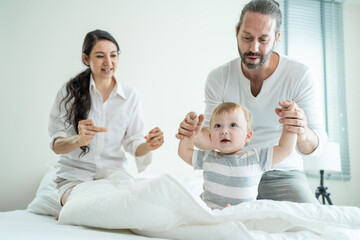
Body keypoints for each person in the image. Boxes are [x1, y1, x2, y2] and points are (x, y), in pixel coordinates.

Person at [176, 0, 327, 203]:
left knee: (312, 224)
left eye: (263, 40)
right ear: (237, 32)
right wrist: (192, 134)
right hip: (232, 169)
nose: (253, 48)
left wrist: (301, 129)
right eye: (246, 38)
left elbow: (316, 145)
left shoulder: (300, 75)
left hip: (282, 174)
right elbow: (209, 138)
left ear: (276, 39)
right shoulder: (218, 77)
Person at [49, 29, 164, 207]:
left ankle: (74, 212)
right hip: (75, 178)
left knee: (132, 205)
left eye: (113, 55)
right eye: (100, 56)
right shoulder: (68, 92)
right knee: (85, 205)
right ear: (86, 59)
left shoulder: (131, 96)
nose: (108, 62)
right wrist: (78, 139)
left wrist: (148, 145)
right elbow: (57, 145)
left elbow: (133, 144)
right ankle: (72, 210)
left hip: (113, 177)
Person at [178, 102, 297, 209]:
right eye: (218, 126)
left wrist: (289, 124)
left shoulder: (256, 158)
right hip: (210, 213)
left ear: (248, 136)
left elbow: (285, 149)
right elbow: (184, 152)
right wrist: (189, 133)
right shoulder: (207, 158)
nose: (224, 131)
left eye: (233, 125)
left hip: (242, 215)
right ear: (210, 136)